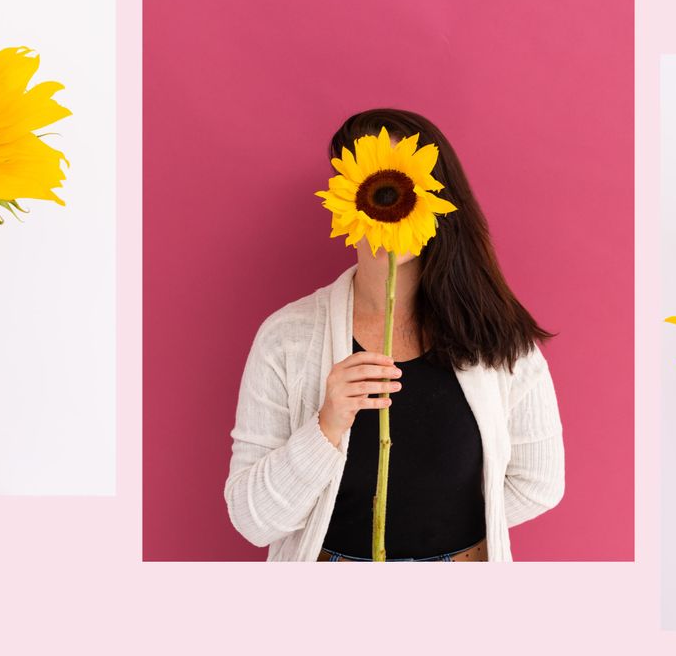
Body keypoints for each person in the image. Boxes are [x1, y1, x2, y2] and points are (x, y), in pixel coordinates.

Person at [225, 108, 564, 561]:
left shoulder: (495, 338)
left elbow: (539, 483)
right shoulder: (287, 339)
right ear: (345, 199)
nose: (387, 209)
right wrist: (326, 426)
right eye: (375, 192)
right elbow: (252, 519)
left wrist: (441, 549)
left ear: (438, 201)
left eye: (407, 190)